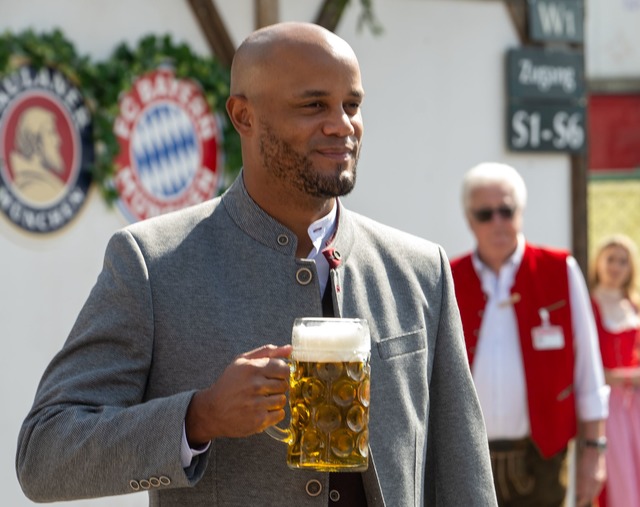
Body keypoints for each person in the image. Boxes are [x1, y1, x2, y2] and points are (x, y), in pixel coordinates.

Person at [16, 22, 497, 506]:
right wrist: (198, 417)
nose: (342, 125)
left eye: (351, 105)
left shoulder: (421, 270)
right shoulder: (153, 264)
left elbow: (463, 473)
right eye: (313, 106)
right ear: (243, 115)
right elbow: (44, 457)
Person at [449, 162, 610, 507]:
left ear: (520, 211)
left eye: (506, 211)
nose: (498, 222)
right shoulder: (448, 276)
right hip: (468, 459)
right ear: (469, 219)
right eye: (485, 213)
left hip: (544, 458)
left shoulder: (559, 269)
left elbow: (588, 370)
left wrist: (594, 451)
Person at [589, 234, 640, 507]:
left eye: (623, 261)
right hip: (609, 406)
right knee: (618, 474)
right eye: (610, 259)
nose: (616, 267)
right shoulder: (590, 305)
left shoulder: (634, 306)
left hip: (636, 403)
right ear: (598, 262)